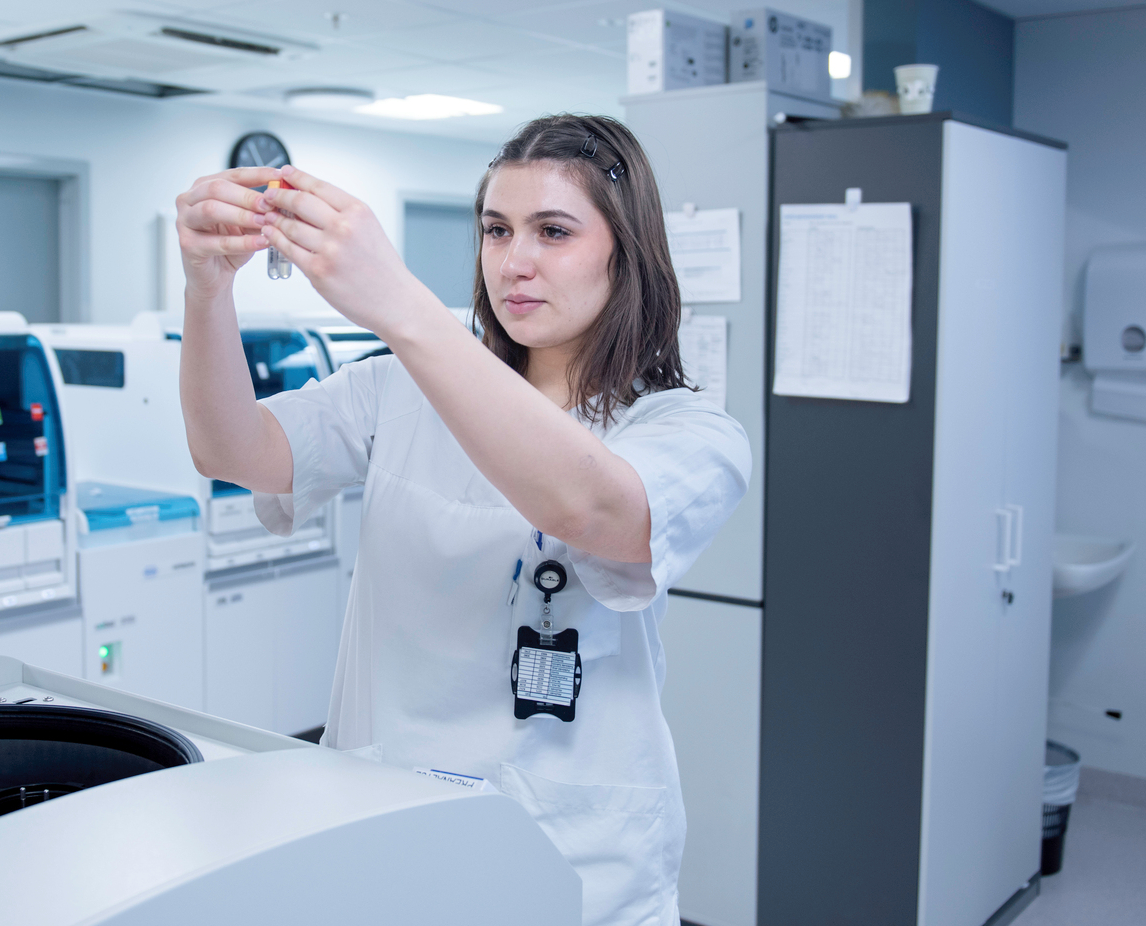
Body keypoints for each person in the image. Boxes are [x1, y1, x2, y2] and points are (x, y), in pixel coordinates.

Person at [175, 114, 750, 925]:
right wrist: (207, 291)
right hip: (386, 823)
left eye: (553, 231)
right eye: (495, 230)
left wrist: (401, 308)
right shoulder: (395, 391)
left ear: (627, 250)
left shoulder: (686, 433)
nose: (514, 262)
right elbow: (230, 450)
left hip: (571, 860)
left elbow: (591, 506)